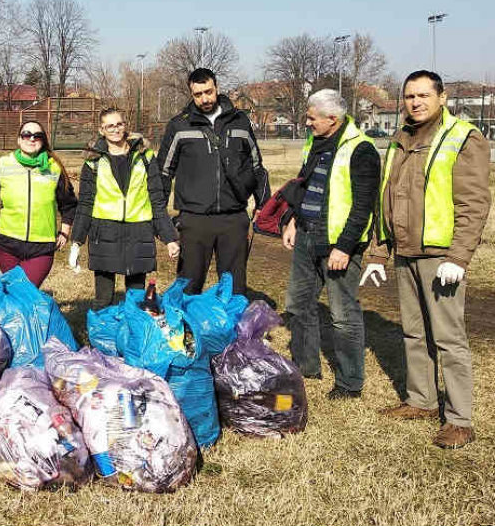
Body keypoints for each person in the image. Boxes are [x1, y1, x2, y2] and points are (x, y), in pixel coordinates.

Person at [361, 70, 491, 449]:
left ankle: (460, 419)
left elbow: (474, 204)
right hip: (405, 252)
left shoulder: (463, 137)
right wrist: (378, 252)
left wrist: (459, 257)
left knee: (449, 338)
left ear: (442, 96)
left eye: (423, 95)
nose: (415, 102)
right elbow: (388, 197)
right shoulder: (401, 136)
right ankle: (421, 399)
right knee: (414, 333)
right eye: (409, 96)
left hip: (441, 258)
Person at [280, 89, 380, 398]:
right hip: (307, 237)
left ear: (332, 119)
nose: (307, 122)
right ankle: (306, 366)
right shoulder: (314, 143)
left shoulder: (362, 150)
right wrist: (293, 220)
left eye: (312, 117)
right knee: (297, 305)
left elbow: (364, 206)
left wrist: (345, 247)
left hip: (338, 245)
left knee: (342, 314)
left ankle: (350, 383)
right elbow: (305, 187)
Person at [158, 68, 270, 295]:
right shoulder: (179, 125)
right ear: (191, 94)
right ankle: (186, 328)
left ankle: (232, 327)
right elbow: (163, 172)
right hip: (194, 219)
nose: (204, 99)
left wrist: (263, 204)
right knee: (189, 283)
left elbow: (257, 165)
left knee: (234, 285)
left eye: (208, 92)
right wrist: (160, 220)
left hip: (233, 217)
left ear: (216, 87)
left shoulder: (240, 122)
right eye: (197, 94)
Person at [71, 108, 179, 309]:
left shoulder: (145, 157)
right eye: (110, 126)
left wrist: (169, 238)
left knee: (136, 299)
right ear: (102, 130)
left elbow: (156, 199)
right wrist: (77, 241)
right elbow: (85, 202)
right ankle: (101, 338)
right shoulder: (93, 161)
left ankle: (132, 337)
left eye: (119, 124)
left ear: (125, 125)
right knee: (103, 299)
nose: (115, 129)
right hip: (104, 232)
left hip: (139, 231)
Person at [0, 121, 77, 287]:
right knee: (14, 291)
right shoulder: (4, 164)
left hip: (41, 246)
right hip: (7, 243)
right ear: (19, 140)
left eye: (37, 136)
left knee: (27, 290)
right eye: (26, 134)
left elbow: (69, 204)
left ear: (43, 140)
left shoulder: (54, 168)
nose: (32, 139)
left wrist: (64, 232)